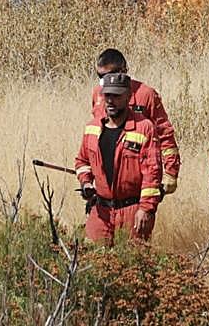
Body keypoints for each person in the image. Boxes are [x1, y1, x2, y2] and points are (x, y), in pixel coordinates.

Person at [75, 72, 162, 244]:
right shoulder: (92, 128)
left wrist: (146, 208)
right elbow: (82, 161)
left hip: (132, 213)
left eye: (116, 96)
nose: (110, 100)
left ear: (129, 97)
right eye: (107, 95)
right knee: (95, 264)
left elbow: (152, 173)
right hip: (100, 213)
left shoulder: (144, 128)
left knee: (132, 265)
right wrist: (85, 182)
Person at [92, 48, 181, 195]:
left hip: (139, 175)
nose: (105, 82)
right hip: (106, 179)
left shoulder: (146, 95)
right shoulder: (97, 94)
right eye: (100, 76)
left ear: (124, 70)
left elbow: (165, 135)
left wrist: (171, 173)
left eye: (109, 75)